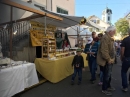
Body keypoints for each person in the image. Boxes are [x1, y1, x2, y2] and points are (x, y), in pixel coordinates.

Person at [97, 26, 116, 96]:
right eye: (114, 31)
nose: (115, 33)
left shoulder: (108, 37)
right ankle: (104, 89)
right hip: (106, 61)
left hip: (109, 60)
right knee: (106, 75)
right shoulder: (105, 37)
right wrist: (108, 59)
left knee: (108, 74)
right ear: (110, 31)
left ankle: (108, 86)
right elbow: (104, 51)